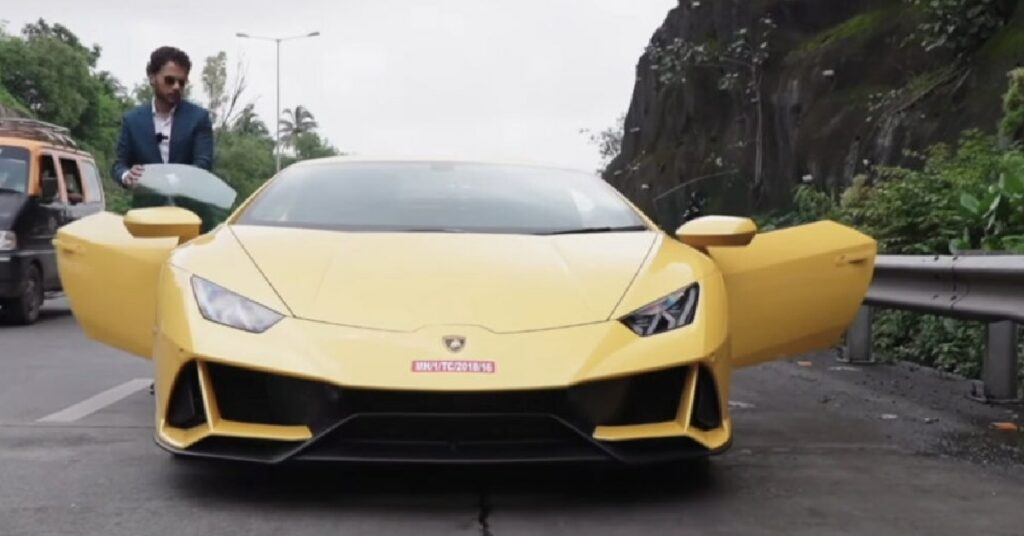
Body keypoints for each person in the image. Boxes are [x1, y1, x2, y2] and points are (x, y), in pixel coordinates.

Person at [112, 46, 214, 191]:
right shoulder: (132, 120)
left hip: (188, 208)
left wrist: (169, 180)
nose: (176, 87)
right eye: (169, 80)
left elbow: (203, 163)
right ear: (152, 78)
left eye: (182, 82)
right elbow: (119, 165)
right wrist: (127, 175)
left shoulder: (198, 118)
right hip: (146, 209)